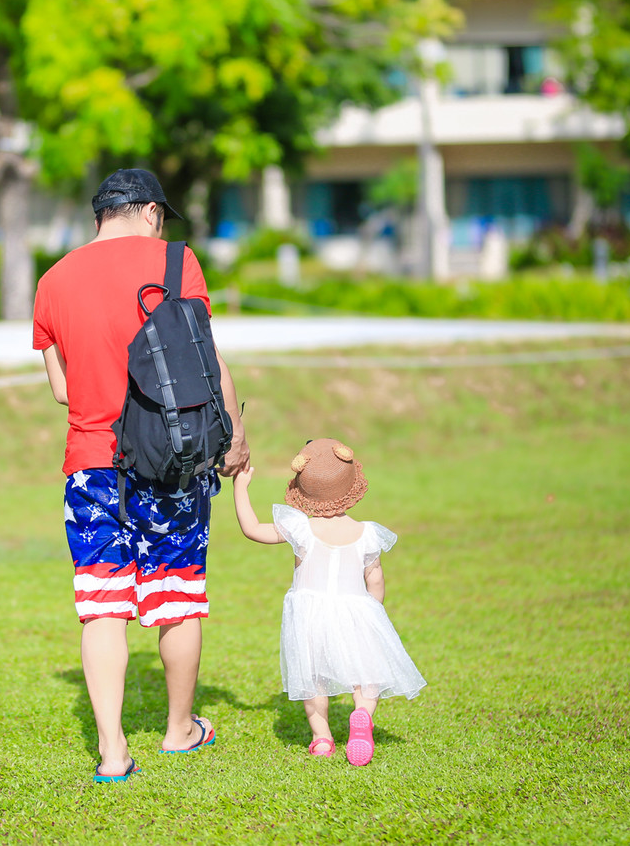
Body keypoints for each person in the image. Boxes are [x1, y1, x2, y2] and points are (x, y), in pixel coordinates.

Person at [32, 168, 250, 783]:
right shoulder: (178, 263)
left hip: (92, 464)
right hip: (169, 458)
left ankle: (112, 753)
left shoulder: (52, 281)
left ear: (100, 215)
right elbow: (205, 359)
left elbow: (62, 390)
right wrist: (235, 433)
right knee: (176, 594)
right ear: (152, 212)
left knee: (101, 605)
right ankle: (180, 731)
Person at [231, 438, 425, 766]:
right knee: (366, 675)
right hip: (356, 610)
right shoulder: (367, 533)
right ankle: (362, 714)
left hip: (310, 615)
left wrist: (241, 487)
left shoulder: (300, 529)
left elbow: (252, 529)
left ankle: (321, 738)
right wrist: (373, 610)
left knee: (313, 679)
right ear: (351, 486)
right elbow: (375, 580)